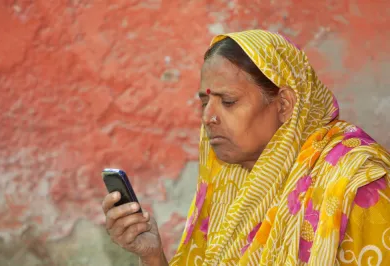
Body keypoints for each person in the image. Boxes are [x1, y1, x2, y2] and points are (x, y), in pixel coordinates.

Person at [101, 30, 390, 265]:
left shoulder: (356, 184)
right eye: (204, 102)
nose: (207, 118)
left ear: (285, 105)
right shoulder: (231, 183)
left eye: (228, 102)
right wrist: (151, 255)